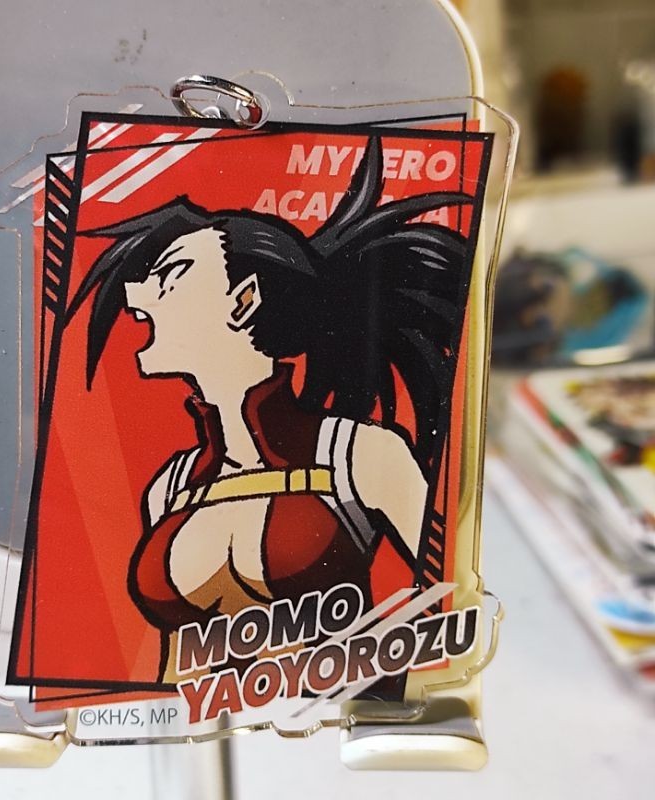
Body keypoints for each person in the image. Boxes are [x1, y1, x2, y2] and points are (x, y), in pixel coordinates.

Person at [66, 137, 472, 683]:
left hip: (340, 715)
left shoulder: (360, 454)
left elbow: (451, 611)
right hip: (207, 723)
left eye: (172, 274)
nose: (137, 295)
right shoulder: (171, 486)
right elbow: (173, 665)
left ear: (244, 301)